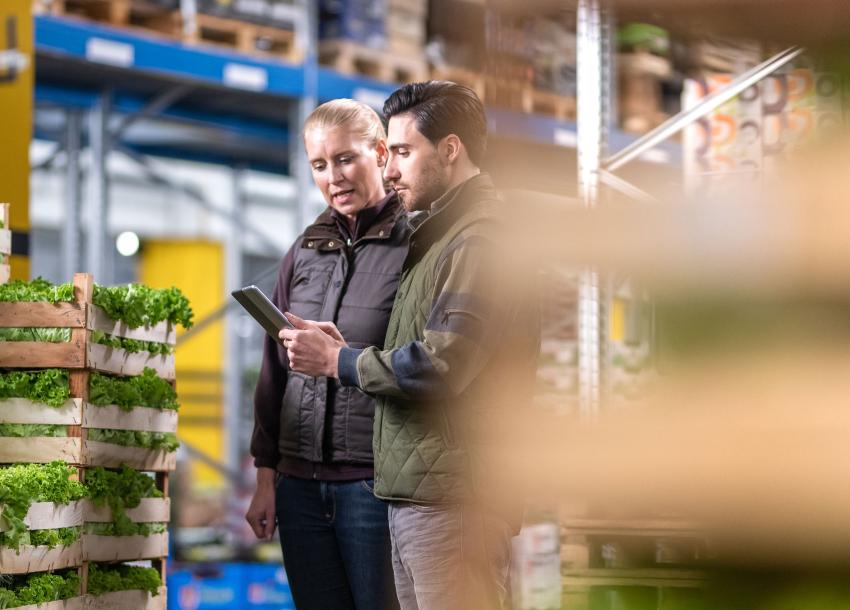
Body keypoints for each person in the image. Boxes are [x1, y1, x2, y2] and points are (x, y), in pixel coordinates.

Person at [281, 81, 540, 610]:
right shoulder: (441, 237)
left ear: (449, 149)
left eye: (401, 151)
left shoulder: (482, 239)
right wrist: (345, 350)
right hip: (421, 494)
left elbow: (441, 367)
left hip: (457, 498)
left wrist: (340, 362)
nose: (391, 168)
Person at [246, 98, 407, 610]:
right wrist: (265, 478)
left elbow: (418, 362)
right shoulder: (305, 249)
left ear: (380, 153)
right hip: (299, 487)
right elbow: (275, 371)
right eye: (319, 165)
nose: (333, 176)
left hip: (373, 485)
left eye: (346, 159)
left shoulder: (415, 244)